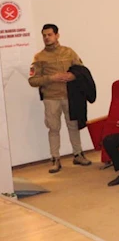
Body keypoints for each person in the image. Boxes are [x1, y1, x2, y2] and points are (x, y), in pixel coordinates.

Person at [28, 23, 90, 172]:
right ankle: (55, 159)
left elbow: (82, 70)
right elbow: (32, 81)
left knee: (73, 126)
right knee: (53, 128)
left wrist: (73, 75)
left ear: (57, 35)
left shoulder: (69, 52)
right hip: (51, 98)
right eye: (44, 35)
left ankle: (78, 154)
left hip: (70, 97)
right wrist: (51, 78)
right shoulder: (39, 57)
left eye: (49, 35)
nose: (46, 38)